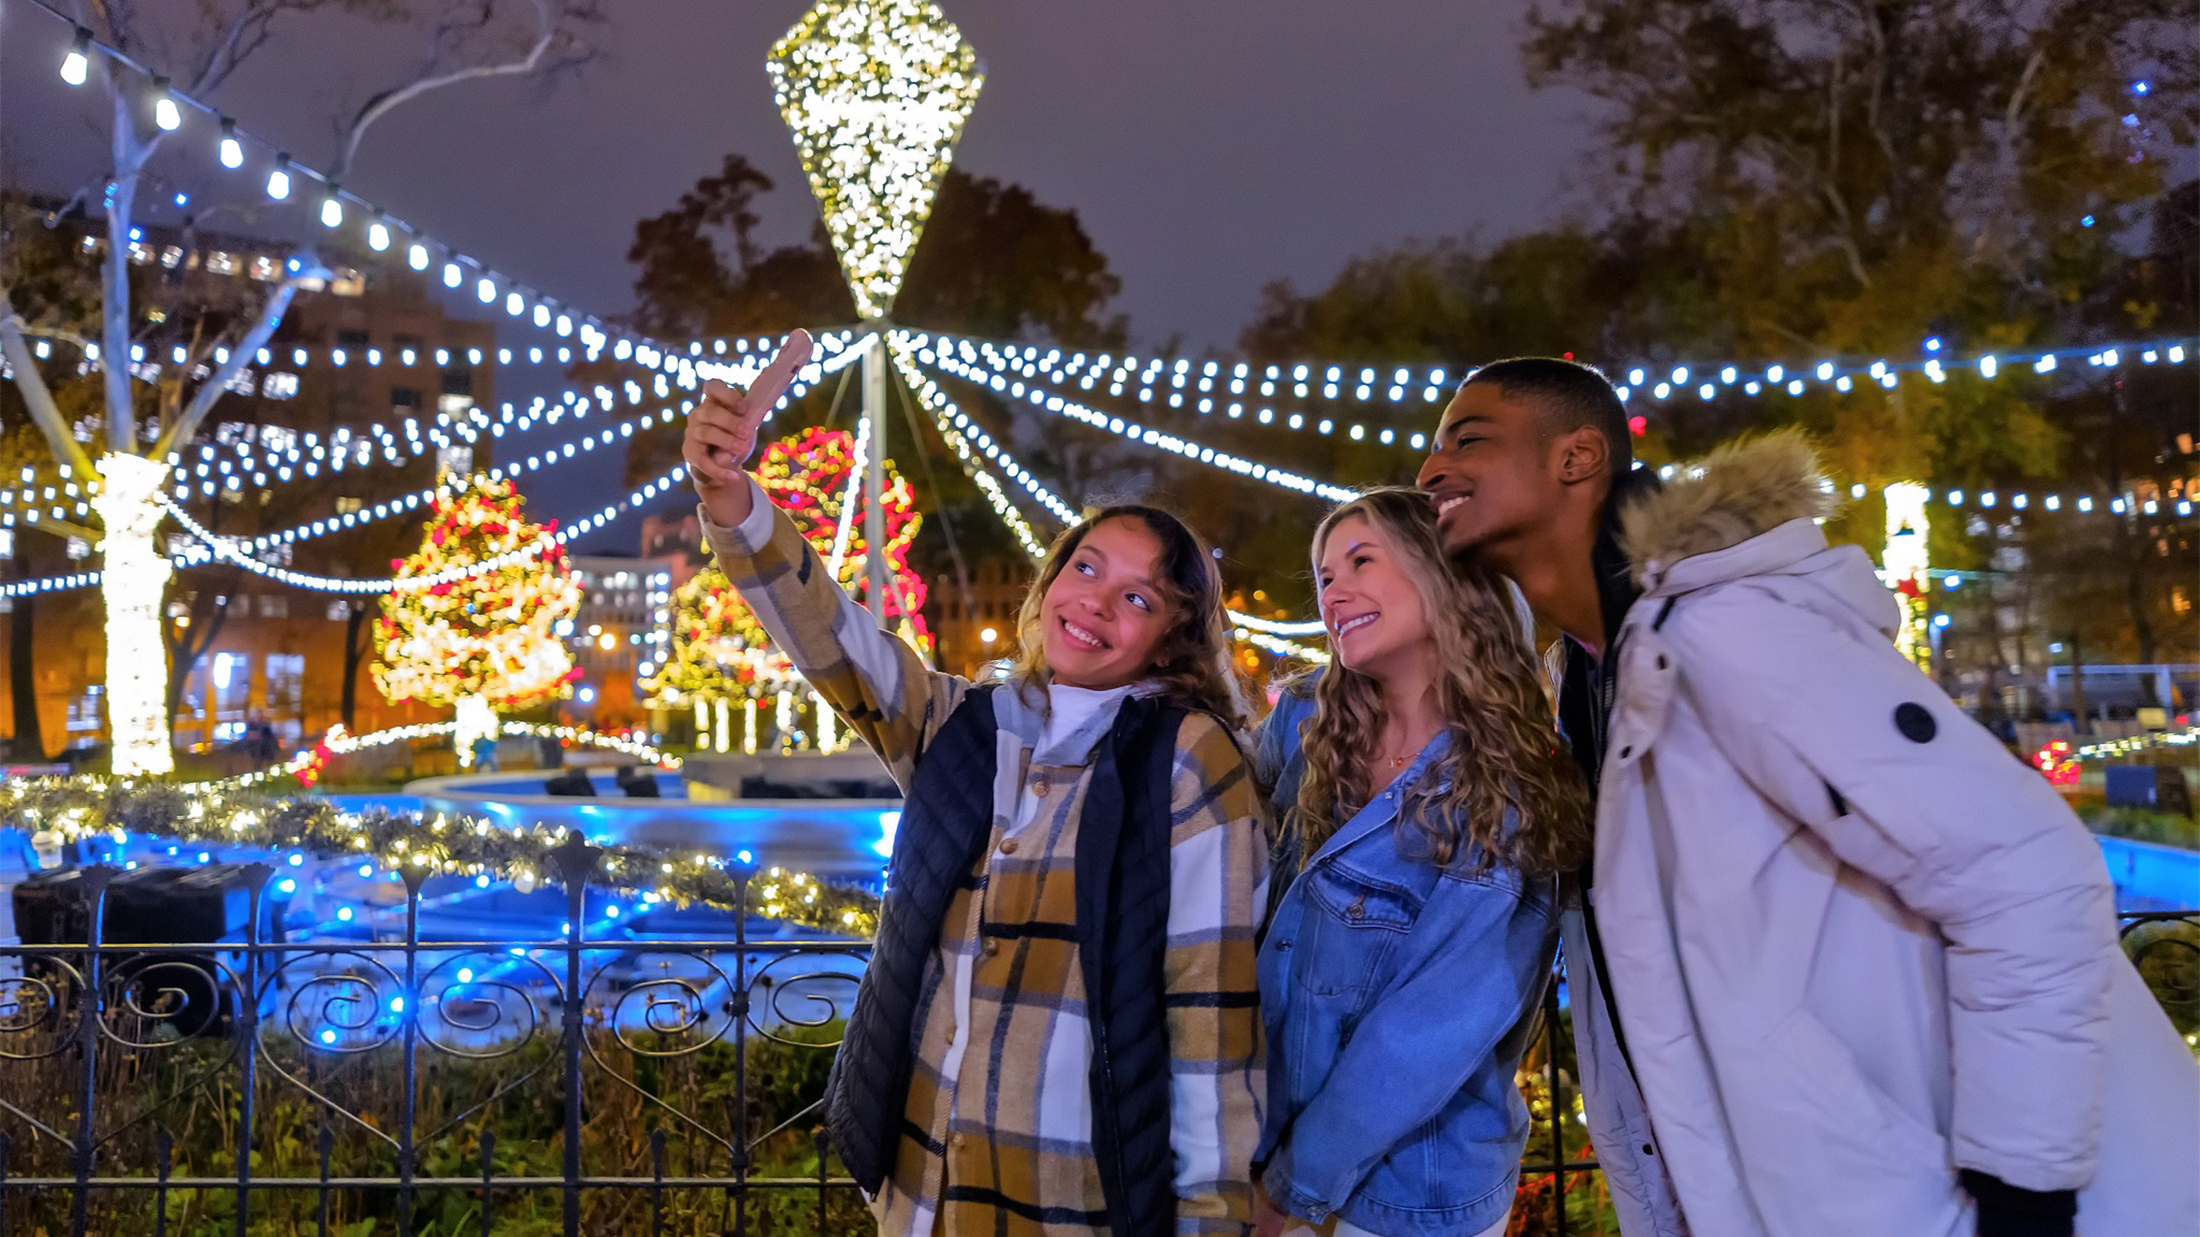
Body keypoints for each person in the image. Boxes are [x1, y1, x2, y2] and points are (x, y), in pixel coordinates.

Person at [1414, 358, 2200, 1237]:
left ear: (1578, 456)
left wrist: (2021, 1197)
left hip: (1948, 1198)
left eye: (1467, 439)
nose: (1430, 469)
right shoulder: (1595, 683)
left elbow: (2027, 873)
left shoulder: (1727, 631)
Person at [684, 330, 1269, 1237]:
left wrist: (1209, 1219)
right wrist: (734, 498)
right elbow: (835, 639)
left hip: (1072, 1200)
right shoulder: (969, 728)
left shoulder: (1188, 760)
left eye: (1140, 598)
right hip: (923, 1190)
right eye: (1086, 567)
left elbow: (1212, 1013)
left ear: (1172, 637)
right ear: (1050, 582)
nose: (1099, 604)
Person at [1250, 489, 1590, 1237]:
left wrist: (1288, 1193)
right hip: (1265, 1140)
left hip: (1413, 1194)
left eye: (1360, 560)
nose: (1333, 590)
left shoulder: (1507, 785)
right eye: (1324, 574)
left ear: (1443, 575)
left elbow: (1424, 1034)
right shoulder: (1305, 721)